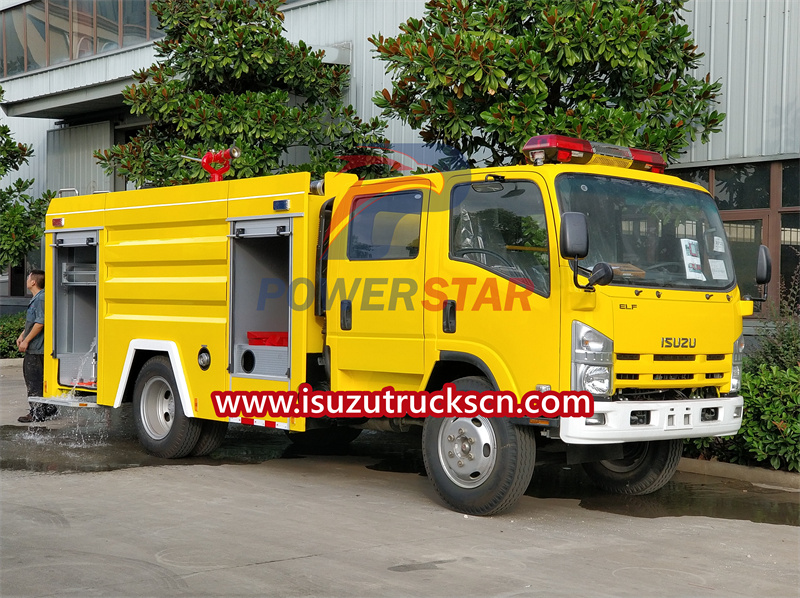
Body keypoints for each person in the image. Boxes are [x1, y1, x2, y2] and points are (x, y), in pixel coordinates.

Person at [16, 269, 57, 423]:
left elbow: (40, 323)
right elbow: (33, 322)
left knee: (33, 380)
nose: (27, 279)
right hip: (36, 347)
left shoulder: (41, 299)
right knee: (38, 380)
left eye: (28, 277)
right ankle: (47, 409)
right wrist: (22, 335)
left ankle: (37, 413)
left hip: (37, 348)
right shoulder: (38, 298)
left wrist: (27, 341)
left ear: (33, 282)